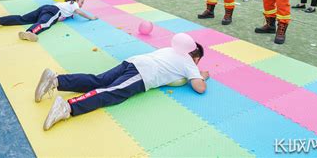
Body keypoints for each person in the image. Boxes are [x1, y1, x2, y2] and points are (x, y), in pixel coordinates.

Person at [35, 41, 209, 131]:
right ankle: (67, 106)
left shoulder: (171, 50)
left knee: (99, 80)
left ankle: (56, 80)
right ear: (196, 57)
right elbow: (199, 88)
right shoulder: (189, 62)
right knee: (112, 93)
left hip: (133, 61)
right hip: (143, 73)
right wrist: (201, 75)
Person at [0, 0, 97, 42]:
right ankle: (30, 32)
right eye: (81, 2)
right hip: (53, 11)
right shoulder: (74, 4)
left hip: (45, 8)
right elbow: (78, 11)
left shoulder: (66, 3)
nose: (81, 5)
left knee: (23, 18)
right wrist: (91, 17)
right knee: (44, 24)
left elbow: (63, 16)